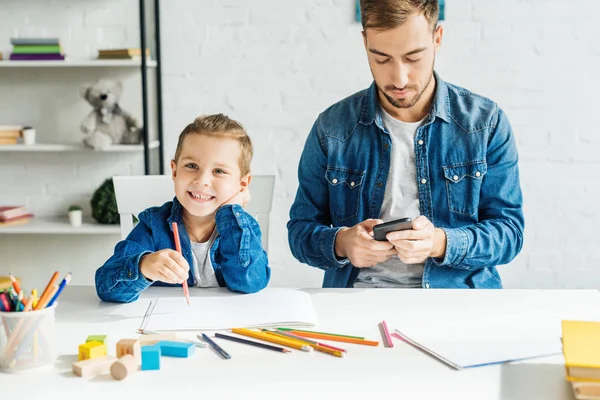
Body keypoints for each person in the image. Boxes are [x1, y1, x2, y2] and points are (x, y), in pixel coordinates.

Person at [287, 0, 524, 289]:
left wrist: (440, 243)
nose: (398, 78)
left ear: (437, 38)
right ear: (365, 42)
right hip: (357, 299)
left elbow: (509, 233)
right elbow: (300, 232)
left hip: (458, 300)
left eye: (413, 58)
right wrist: (342, 243)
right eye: (382, 59)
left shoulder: (484, 123)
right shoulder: (333, 128)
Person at [96, 114, 270, 303]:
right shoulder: (153, 226)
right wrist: (144, 266)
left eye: (219, 171)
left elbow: (250, 282)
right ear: (175, 171)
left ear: (243, 183)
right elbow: (106, 287)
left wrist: (229, 211)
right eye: (192, 165)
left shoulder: (244, 228)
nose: (202, 180)